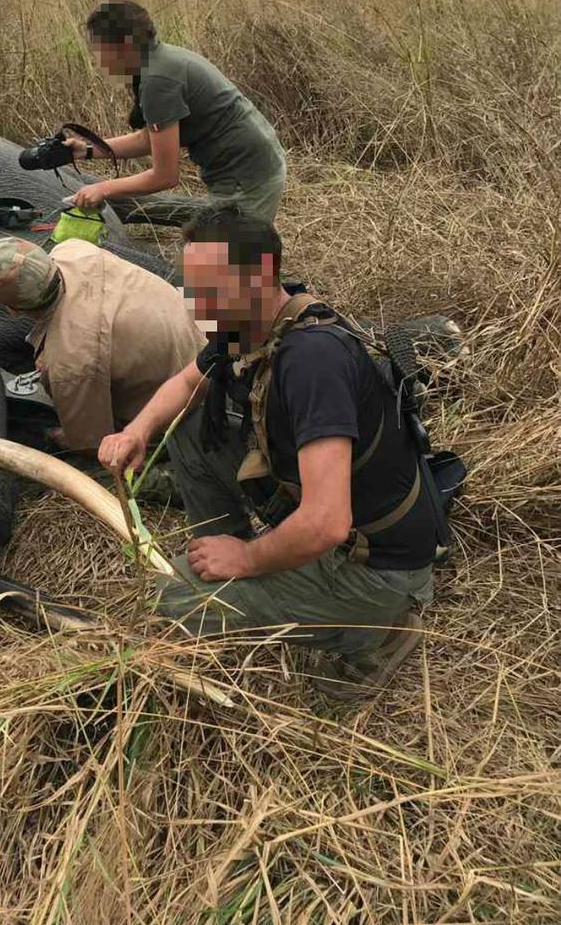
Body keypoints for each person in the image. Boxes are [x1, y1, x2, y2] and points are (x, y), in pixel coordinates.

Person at [98, 205, 441, 698]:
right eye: (192, 289)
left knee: (173, 602)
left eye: (208, 290)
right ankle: (225, 555)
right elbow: (188, 381)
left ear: (259, 276)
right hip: (331, 520)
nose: (197, 306)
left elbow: (326, 523)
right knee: (190, 424)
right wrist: (137, 430)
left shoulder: (312, 362)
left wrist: (250, 559)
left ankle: (383, 632)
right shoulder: (252, 321)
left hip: (375, 569)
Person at [0, 235, 206, 453]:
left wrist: (54, 435)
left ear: (12, 309)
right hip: (205, 342)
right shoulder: (75, 250)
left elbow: (90, 444)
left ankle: (168, 477)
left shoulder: (71, 363)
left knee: (103, 466)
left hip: (187, 405)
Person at [67, 0, 287, 225]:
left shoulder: (158, 81)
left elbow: (165, 176)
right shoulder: (158, 59)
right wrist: (87, 150)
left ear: (124, 46)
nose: (97, 60)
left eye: (99, 51)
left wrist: (103, 188)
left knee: (215, 259)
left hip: (247, 179)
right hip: (251, 166)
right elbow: (147, 139)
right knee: (203, 244)